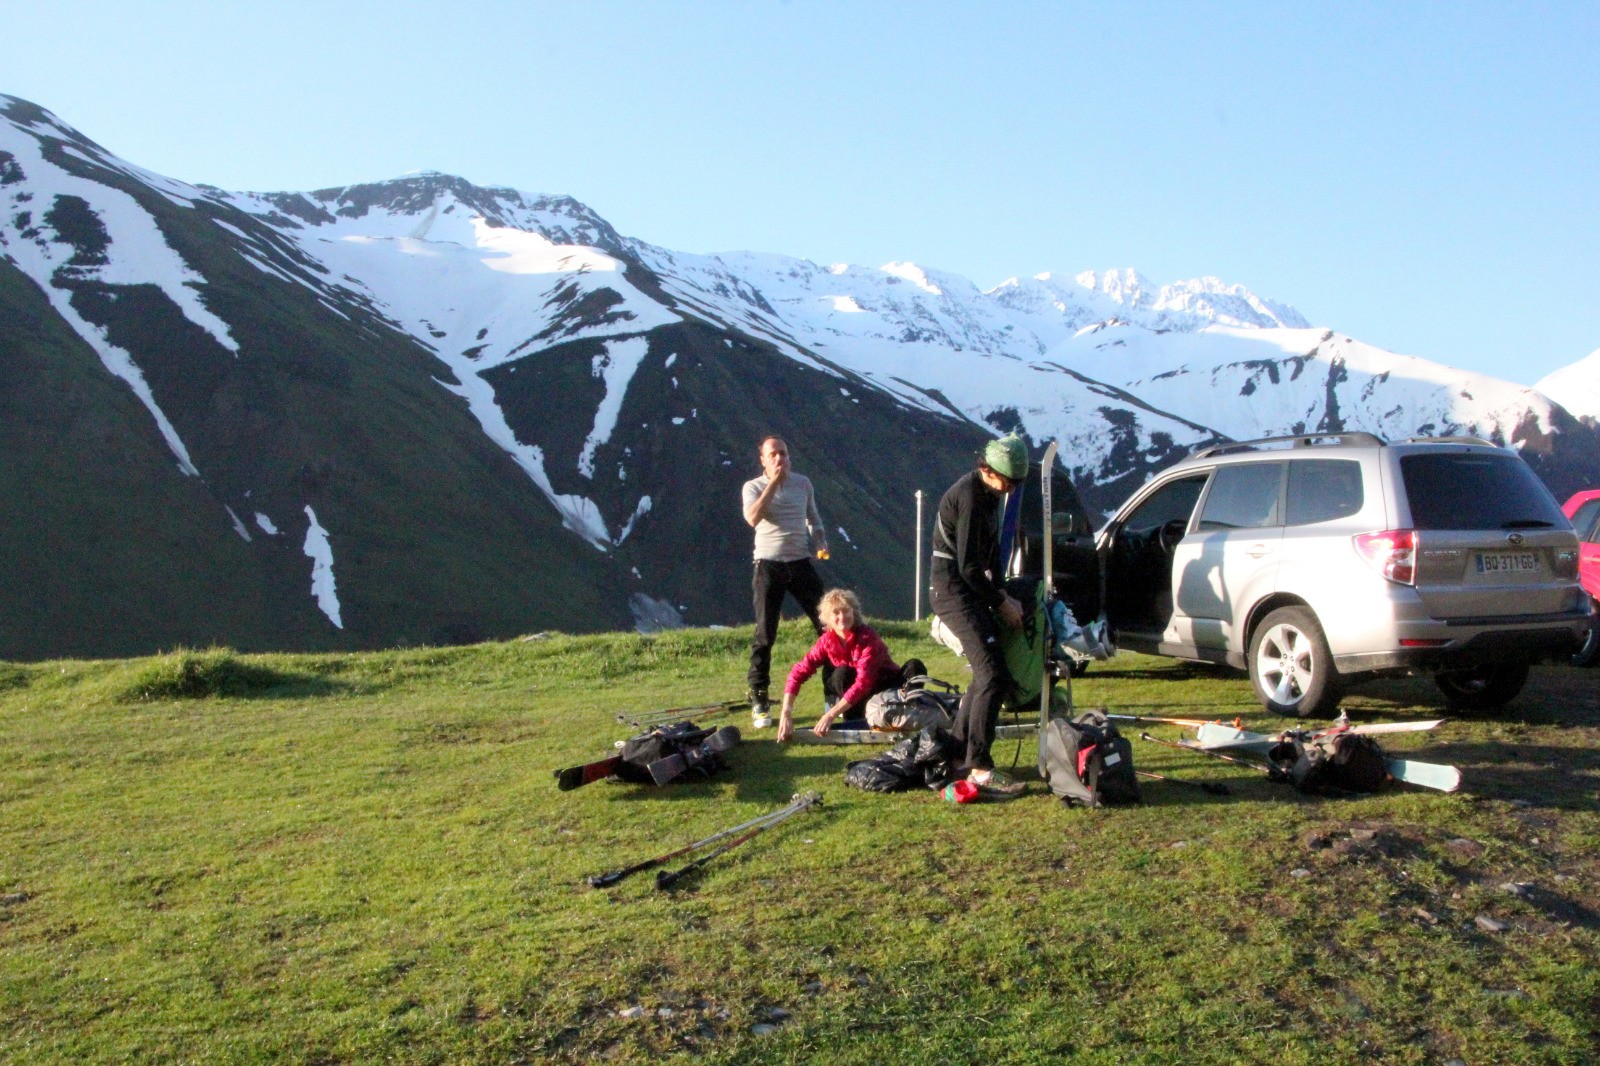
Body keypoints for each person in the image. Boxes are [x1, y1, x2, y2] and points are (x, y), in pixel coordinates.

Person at [929, 433, 1030, 795]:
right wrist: (1001, 603)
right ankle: (980, 767)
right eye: (1008, 481)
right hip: (952, 591)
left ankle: (958, 752)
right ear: (988, 470)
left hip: (968, 590)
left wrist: (1004, 592)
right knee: (992, 675)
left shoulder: (990, 496)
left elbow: (991, 557)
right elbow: (969, 567)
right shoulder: (970, 497)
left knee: (986, 672)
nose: (1011, 489)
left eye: (1017, 483)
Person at [743, 435, 830, 729]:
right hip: (768, 565)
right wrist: (773, 484)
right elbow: (752, 518)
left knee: (828, 627)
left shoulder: (803, 483)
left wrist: (820, 539)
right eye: (773, 454)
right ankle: (759, 699)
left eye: (784, 453)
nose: (780, 458)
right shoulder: (753, 487)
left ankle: (834, 694)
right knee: (765, 633)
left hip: (800, 562)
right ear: (763, 460)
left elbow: (813, 517)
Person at [775, 588, 926, 742]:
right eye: (836, 612)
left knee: (915, 666)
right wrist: (786, 713)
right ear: (827, 618)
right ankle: (854, 720)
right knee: (841, 673)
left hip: (887, 689)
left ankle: (905, 715)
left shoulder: (868, 638)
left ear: (854, 613)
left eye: (846, 611)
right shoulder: (826, 642)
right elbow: (798, 673)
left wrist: (831, 715)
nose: (842, 617)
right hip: (859, 699)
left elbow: (864, 682)